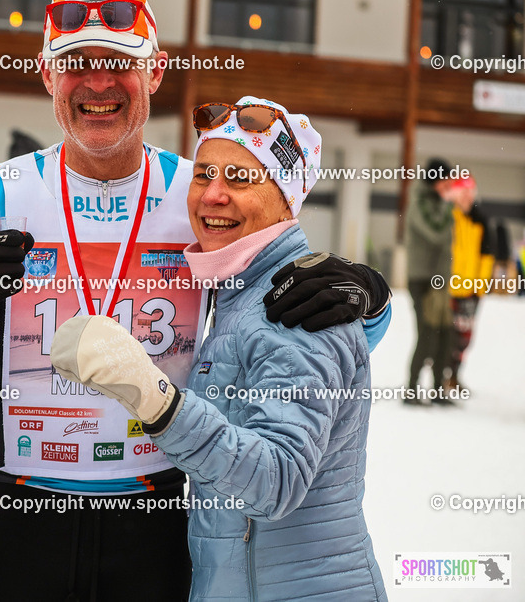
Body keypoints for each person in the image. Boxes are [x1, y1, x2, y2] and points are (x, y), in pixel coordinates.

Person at [0, 0, 392, 601]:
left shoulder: (199, 194)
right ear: (49, 77)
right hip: (19, 520)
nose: (98, 84)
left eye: (120, 65)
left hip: (156, 522)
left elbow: (292, 318)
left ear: (154, 72)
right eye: (76, 63)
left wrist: (366, 299)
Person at [51, 98, 387, 601]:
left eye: (239, 178)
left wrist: (153, 398)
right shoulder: (239, 292)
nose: (213, 195)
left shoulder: (292, 304)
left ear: (286, 197)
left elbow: (277, 479)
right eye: (204, 173)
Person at [406, 157, 456, 405]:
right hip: (423, 279)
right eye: (445, 179)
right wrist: (448, 207)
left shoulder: (438, 202)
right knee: (427, 334)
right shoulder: (420, 203)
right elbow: (436, 233)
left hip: (439, 279)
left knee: (445, 334)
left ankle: (438, 388)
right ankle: (411, 389)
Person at [448, 175, 493, 391]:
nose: (466, 197)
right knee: (445, 335)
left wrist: (480, 287)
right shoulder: (448, 218)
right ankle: (442, 376)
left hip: (471, 290)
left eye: (470, 193)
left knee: (464, 338)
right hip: (448, 288)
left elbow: (486, 257)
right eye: (462, 192)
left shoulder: (481, 221)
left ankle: (454, 376)